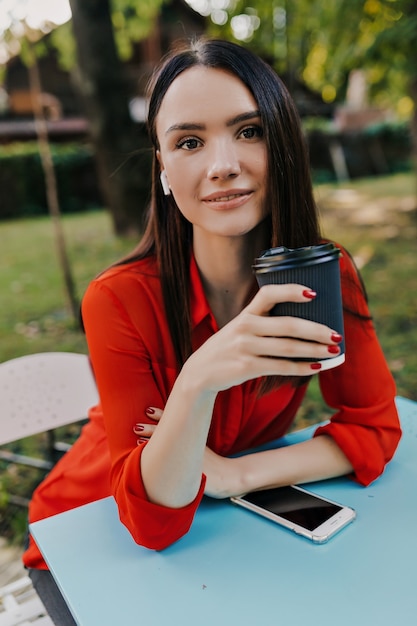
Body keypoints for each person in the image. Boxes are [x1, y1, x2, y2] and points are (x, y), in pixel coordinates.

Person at [23, 38, 401, 624]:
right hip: (88, 533)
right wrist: (196, 381)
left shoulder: (326, 275)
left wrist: (236, 475)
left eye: (248, 131)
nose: (222, 163)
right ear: (165, 172)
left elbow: (375, 428)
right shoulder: (119, 299)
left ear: (283, 146)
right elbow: (152, 523)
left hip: (223, 518)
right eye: (190, 142)